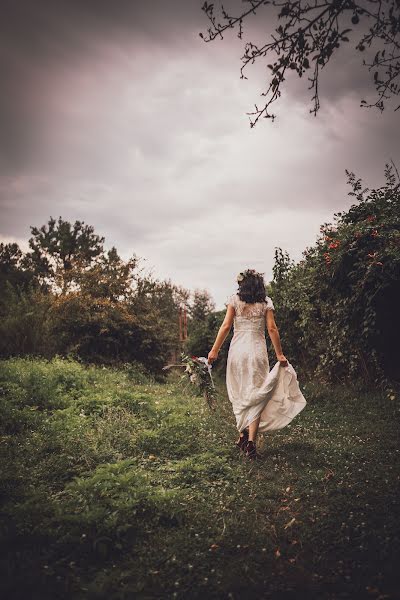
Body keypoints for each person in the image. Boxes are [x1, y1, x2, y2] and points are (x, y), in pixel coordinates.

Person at [207, 268, 307, 460]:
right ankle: (250, 441)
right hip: (257, 352)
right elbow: (271, 328)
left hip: (237, 352)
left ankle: (243, 435)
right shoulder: (266, 302)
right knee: (257, 394)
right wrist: (279, 354)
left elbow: (226, 326)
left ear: (241, 285)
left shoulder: (234, 300)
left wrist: (214, 350)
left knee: (240, 391)